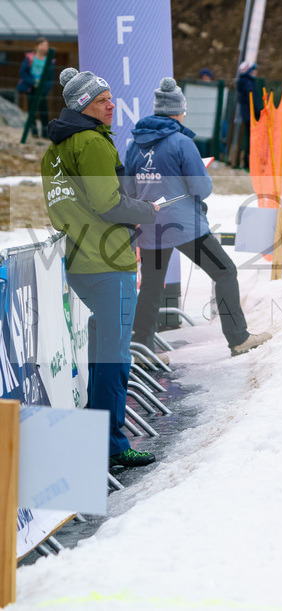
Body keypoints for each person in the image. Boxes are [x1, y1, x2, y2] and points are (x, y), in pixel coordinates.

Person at [40, 68, 160, 468]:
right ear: (82, 107)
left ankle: (98, 439)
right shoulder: (90, 142)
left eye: (110, 98)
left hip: (81, 261)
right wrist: (146, 210)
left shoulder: (55, 148)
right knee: (113, 358)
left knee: (100, 356)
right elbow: (108, 203)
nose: (112, 105)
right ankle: (111, 445)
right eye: (102, 101)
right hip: (107, 263)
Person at [124, 77, 272, 358]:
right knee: (224, 271)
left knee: (152, 286)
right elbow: (201, 187)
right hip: (185, 226)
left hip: (151, 225)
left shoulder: (134, 144)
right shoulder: (181, 142)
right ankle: (238, 338)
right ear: (178, 112)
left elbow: (129, 188)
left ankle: (142, 346)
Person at [16, 38, 54, 137]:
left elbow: (50, 77)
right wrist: (32, 82)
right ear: (37, 46)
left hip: (42, 87)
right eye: (42, 45)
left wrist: (45, 87)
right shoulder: (29, 58)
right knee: (31, 107)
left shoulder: (49, 60)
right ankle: (33, 130)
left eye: (46, 45)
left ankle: (45, 131)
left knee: (43, 108)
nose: (45, 47)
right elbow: (23, 72)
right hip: (31, 86)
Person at [235, 61, 261, 169]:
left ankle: (247, 161)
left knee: (249, 138)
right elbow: (253, 101)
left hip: (246, 114)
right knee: (252, 139)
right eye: (254, 69)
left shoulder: (243, 82)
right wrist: (259, 111)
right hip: (252, 115)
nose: (256, 71)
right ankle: (248, 163)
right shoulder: (249, 83)